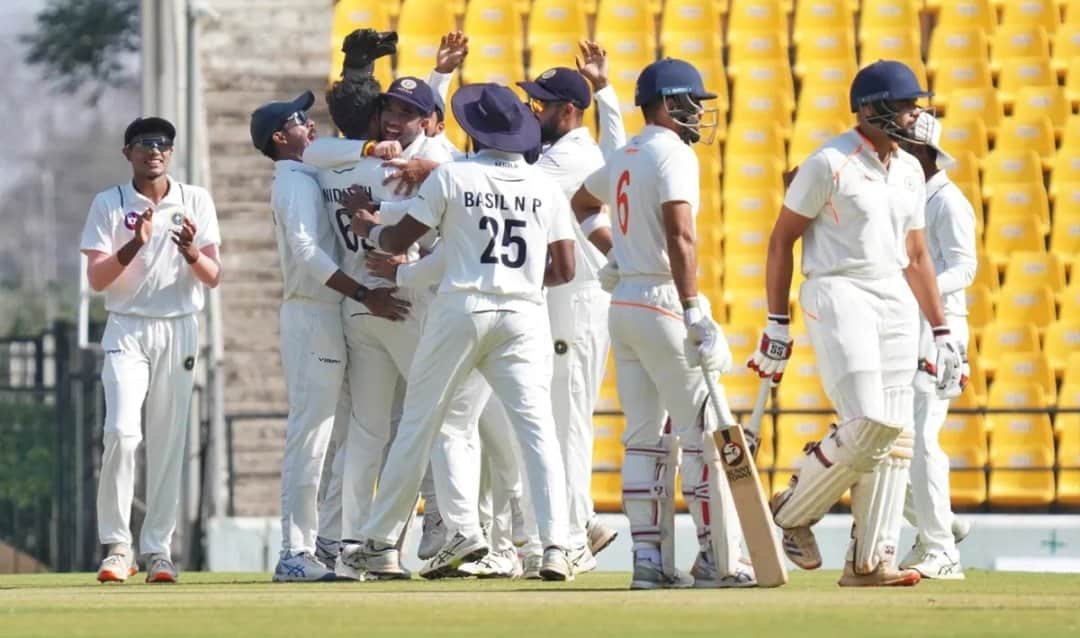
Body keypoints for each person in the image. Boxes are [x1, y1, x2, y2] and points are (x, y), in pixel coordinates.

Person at [341, 83, 578, 581]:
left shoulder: (453, 175)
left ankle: (381, 543)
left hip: (462, 308)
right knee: (537, 435)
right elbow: (565, 269)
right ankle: (556, 545)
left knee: (420, 423)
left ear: (474, 130)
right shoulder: (543, 185)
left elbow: (401, 238)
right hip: (524, 315)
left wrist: (367, 226)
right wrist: (517, 282)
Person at [752, 60, 967, 587]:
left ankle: (870, 564)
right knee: (869, 420)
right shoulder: (829, 162)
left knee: (897, 439)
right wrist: (777, 321)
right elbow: (781, 240)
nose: (915, 114)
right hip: (837, 288)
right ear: (871, 109)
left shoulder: (912, 169)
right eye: (905, 104)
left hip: (894, 296)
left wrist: (941, 332)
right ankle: (793, 508)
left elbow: (917, 254)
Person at [571, 58, 753, 590]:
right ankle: (717, 560)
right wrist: (694, 307)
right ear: (670, 103)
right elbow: (681, 236)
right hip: (663, 301)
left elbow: (582, 204)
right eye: (693, 102)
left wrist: (616, 255)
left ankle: (648, 563)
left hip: (624, 306)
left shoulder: (626, 151)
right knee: (700, 437)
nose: (698, 112)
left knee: (644, 439)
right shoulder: (673, 154)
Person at [249, 91, 407, 582]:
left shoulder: (307, 169)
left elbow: (335, 149)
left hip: (329, 312)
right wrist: (363, 292)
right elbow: (304, 251)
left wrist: (368, 150)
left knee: (336, 435)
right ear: (281, 137)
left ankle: (324, 542)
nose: (311, 125)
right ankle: (293, 550)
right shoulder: (293, 180)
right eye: (301, 120)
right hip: (311, 312)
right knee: (311, 434)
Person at [81, 116, 222, 583]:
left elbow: (213, 275)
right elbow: (97, 278)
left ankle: (158, 548)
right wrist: (132, 248)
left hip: (178, 327)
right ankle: (119, 547)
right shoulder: (109, 202)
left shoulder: (195, 200)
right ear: (129, 153)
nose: (154, 151)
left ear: (171, 152)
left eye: (162, 144)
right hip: (127, 328)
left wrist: (190, 254)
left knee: (168, 440)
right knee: (122, 432)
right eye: (144, 144)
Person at [896, 112, 976, 580]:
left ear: (923, 152)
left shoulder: (948, 202)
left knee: (922, 437)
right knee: (896, 439)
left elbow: (966, 268)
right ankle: (938, 525)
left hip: (943, 327)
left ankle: (942, 546)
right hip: (916, 324)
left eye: (904, 145)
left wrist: (920, 286)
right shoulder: (912, 196)